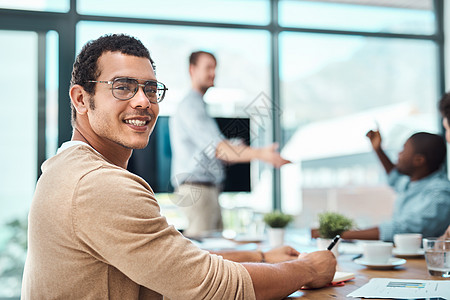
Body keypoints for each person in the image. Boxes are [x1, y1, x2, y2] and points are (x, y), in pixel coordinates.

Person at [21, 34, 336, 299]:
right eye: (123, 87)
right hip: (198, 186)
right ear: (80, 99)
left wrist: (263, 257)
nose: (143, 101)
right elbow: (210, 285)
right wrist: (307, 269)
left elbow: (176, 263)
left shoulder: (66, 166)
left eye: (150, 88)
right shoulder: (99, 184)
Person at [170, 51, 291, 237]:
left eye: (215, 68)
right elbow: (220, 150)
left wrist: (234, 148)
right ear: (192, 70)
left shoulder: (198, 106)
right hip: (197, 190)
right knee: (203, 255)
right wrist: (261, 154)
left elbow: (217, 150)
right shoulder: (191, 106)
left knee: (215, 250)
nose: (213, 73)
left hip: (205, 189)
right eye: (208, 68)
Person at [312, 130, 450, 242]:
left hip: (424, 266)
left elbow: (404, 230)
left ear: (419, 160)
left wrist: (340, 234)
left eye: (403, 150)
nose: (399, 154)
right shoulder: (413, 181)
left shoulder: (440, 193)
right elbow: (394, 177)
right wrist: (378, 150)